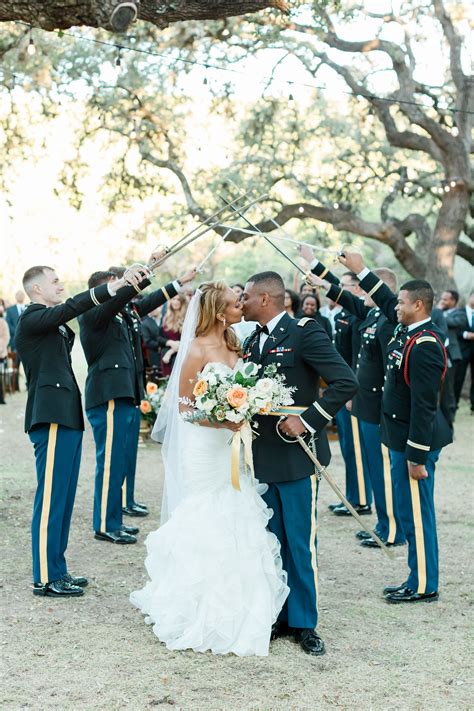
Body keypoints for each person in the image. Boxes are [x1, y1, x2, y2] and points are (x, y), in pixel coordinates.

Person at [130, 281, 289, 656]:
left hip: (232, 447)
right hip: (205, 446)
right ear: (220, 312)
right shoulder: (196, 350)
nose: (242, 307)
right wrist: (222, 418)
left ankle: (242, 603)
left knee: (238, 510)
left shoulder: (238, 343)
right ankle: (196, 603)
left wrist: (246, 408)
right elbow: (184, 409)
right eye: (237, 303)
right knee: (205, 513)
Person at [241, 271, 358, 655]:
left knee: (300, 542)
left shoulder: (304, 332)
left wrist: (308, 419)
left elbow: (345, 381)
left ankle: (305, 622)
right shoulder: (251, 338)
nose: (241, 302)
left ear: (264, 298)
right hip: (262, 456)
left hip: (297, 456)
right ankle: (279, 614)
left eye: (246, 296)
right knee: (272, 540)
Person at [14, 263, 141, 597]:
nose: (60, 285)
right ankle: (44, 576)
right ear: (37, 289)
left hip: (67, 414)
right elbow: (72, 307)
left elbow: (68, 315)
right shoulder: (30, 317)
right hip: (51, 415)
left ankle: (58, 569)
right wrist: (113, 288)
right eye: (54, 281)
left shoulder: (51, 323)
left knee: (65, 498)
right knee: (52, 497)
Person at [339, 251, 453, 603]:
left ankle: (423, 584)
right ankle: (415, 576)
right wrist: (359, 269)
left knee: (417, 515)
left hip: (414, 445)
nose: (395, 307)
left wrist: (416, 457)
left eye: (402, 303)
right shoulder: (407, 328)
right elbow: (385, 298)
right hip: (400, 440)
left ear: (418, 305)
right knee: (407, 510)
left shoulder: (425, 344)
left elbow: (423, 406)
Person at [79, 263, 196, 542]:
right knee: (109, 463)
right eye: (116, 283)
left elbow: (148, 301)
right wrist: (130, 280)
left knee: (118, 461)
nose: (122, 288)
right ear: (101, 289)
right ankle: (106, 526)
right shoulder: (94, 313)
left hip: (125, 393)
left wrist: (177, 283)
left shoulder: (122, 313)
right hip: (107, 395)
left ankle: (115, 518)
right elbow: (118, 297)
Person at [304, 256, 406, 550]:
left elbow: (389, 369)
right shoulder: (373, 316)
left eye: (366, 289)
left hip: (378, 405)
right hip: (365, 402)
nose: (361, 294)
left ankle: (392, 529)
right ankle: (382, 523)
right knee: (373, 467)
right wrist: (325, 283)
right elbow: (349, 302)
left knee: (382, 471)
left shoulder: (389, 321)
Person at [305, 254, 372, 517]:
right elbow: (334, 285)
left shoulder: (359, 314)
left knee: (355, 448)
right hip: (340, 389)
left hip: (351, 392)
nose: (339, 289)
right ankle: (354, 496)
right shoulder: (347, 312)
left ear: (357, 289)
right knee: (346, 447)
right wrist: (313, 263)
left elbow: (358, 357)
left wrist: (350, 392)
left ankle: (362, 500)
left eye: (345, 286)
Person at [446, 291, 474, 413]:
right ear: (470, 297)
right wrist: (466, 335)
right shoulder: (459, 312)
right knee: (458, 379)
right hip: (462, 351)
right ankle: (454, 405)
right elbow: (454, 330)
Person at [159, 293, 187, 377]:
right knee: (167, 384)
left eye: (178, 299)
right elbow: (159, 338)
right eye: (173, 299)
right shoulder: (165, 317)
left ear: (182, 302)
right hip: (166, 356)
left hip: (181, 355)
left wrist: (171, 352)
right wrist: (170, 342)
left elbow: (188, 340)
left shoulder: (187, 317)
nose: (175, 302)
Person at [5, 290, 26, 391]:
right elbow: (8, 324)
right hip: (15, 343)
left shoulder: (28, 308)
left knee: (28, 366)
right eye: (18, 295)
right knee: (15, 366)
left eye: (22, 295)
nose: (20, 296)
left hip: (28, 343)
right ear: (15, 296)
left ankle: (29, 385)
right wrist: (19, 332)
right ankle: (15, 386)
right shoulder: (10, 310)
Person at [0, 299, 10, 404]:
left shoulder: (2, 322)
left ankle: (1, 397)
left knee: (0, 376)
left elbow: (5, 337)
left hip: (1, 354)